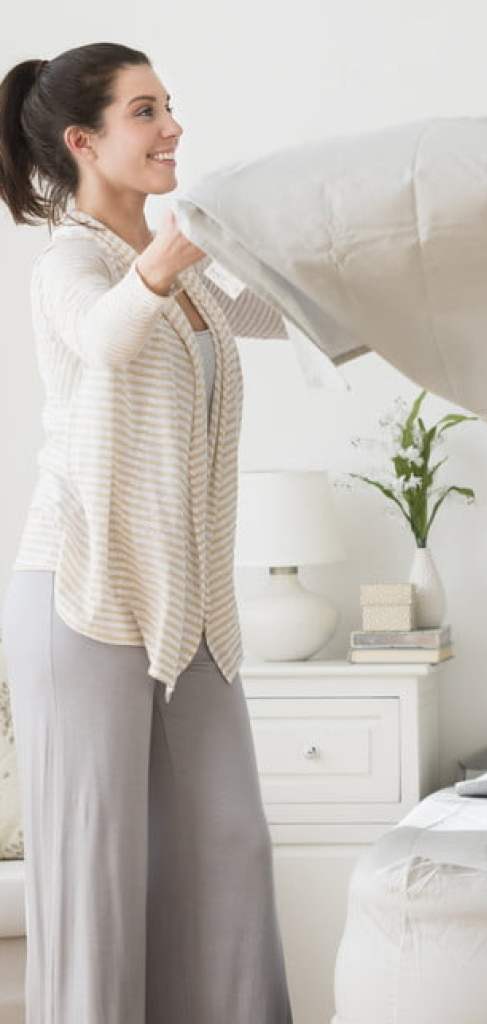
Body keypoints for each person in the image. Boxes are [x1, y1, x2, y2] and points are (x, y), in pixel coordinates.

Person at [0, 42, 293, 1023]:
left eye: (169, 106)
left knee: (228, 847)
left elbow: (299, 310)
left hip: (193, 608)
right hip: (83, 595)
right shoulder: (74, 264)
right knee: (96, 873)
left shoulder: (192, 283)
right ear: (84, 141)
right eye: (146, 111)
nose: (173, 127)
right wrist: (173, 251)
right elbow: (105, 338)